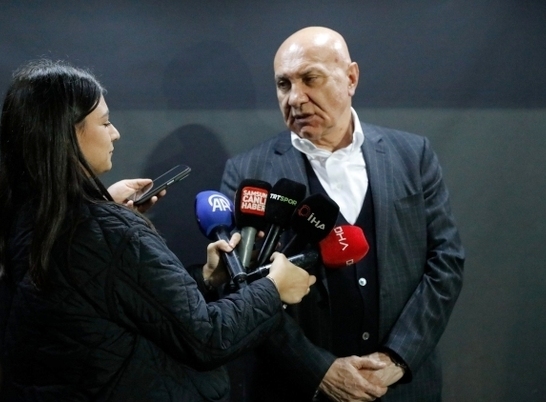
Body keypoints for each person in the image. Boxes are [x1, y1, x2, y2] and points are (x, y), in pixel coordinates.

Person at [0, 59, 316, 401]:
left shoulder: (24, 221)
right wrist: (274, 289)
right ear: (65, 135)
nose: (115, 133)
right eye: (104, 122)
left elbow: (123, 304)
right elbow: (208, 337)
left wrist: (205, 280)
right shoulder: (110, 233)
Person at [220, 26, 465, 401]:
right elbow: (239, 290)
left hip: (403, 388)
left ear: (351, 78)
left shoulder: (412, 156)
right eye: (284, 84)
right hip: (298, 390)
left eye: (310, 79)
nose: (295, 98)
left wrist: (398, 357)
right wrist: (319, 370)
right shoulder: (248, 173)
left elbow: (446, 261)